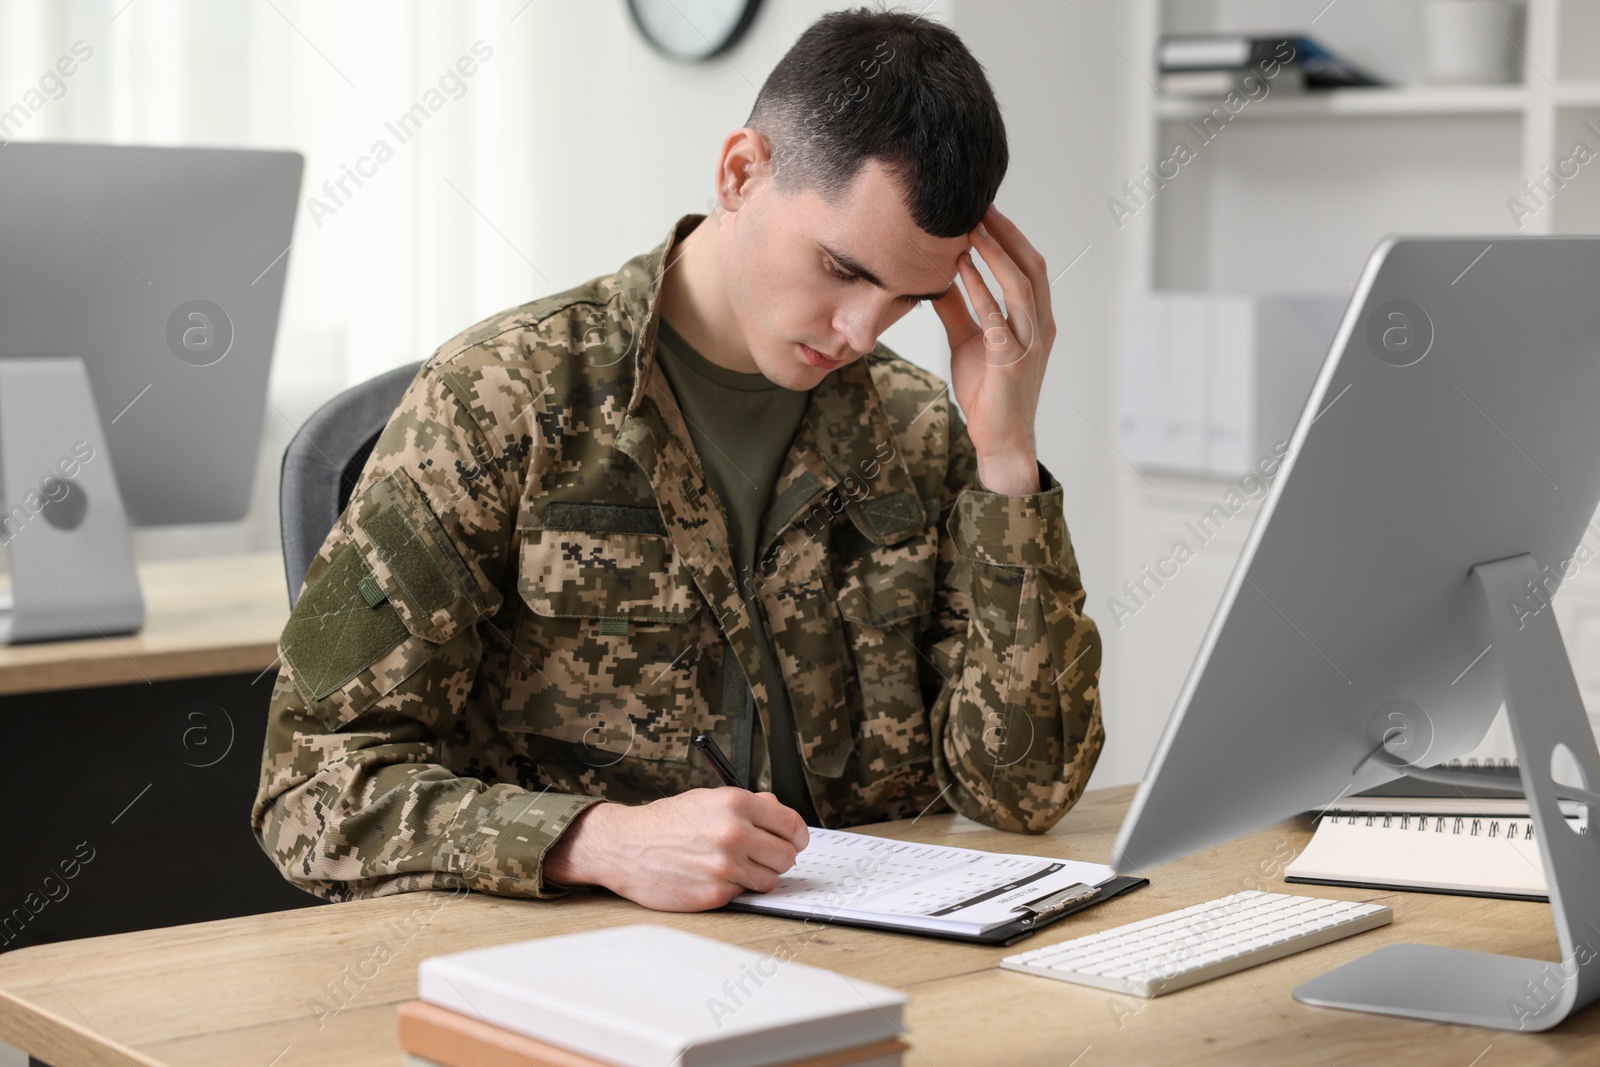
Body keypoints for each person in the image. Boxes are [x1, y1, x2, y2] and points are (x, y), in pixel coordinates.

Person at [251, 6, 1103, 914]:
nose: (861, 331)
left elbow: (1027, 793)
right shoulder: (492, 400)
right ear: (742, 173)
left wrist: (1009, 459)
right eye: (843, 269)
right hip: (573, 982)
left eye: (908, 298)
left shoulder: (920, 429)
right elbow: (309, 786)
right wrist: (594, 839)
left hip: (869, 970)